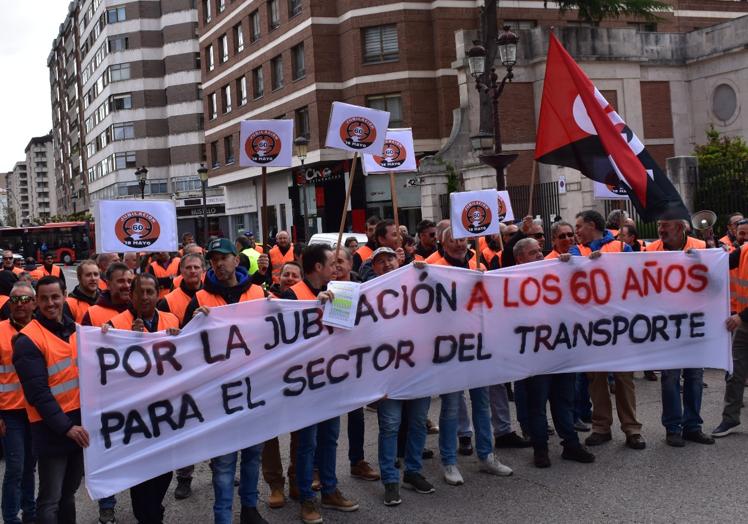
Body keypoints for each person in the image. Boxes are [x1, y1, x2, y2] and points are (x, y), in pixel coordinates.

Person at [182, 238, 268, 524]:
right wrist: (193, 324)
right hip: (218, 396)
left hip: (254, 390)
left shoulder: (258, 293)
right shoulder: (200, 299)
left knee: (253, 456)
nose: (219, 263)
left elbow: (283, 326)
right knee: (223, 463)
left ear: (236, 260)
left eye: (224, 258)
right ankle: (223, 517)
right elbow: (181, 348)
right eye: (214, 259)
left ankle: (250, 509)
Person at [427, 229, 513, 485]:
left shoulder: (478, 264)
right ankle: (449, 462)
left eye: (461, 239)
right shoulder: (433, 267)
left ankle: (486, 455)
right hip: (450, 349)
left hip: (478, 346)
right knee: (451, 407)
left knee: (482, 403)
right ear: (443, 244)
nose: (457, 244)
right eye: (451, 240)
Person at [281, 244, 359, 523]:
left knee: (329, 438)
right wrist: (315, 305)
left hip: (331, 378)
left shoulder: (339, 290)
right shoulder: (292, 296)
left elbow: (348, 330)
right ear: (317, 268)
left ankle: (329, 489)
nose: (335, 268)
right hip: (305, 383)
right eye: (331, 264)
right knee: (307, 443)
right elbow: (287, 338)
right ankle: (307, 498)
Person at [101, 274, 179, 524]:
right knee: (141, 473)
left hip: (165, 411)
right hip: (134, 415)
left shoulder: (171, 320)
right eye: (140, 292)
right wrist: (107, 337)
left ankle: (153, 510)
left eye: (150, 292)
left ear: (158, 294)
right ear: (131, 296)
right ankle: (149, 517)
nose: (145, 297)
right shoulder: (115, 325)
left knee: (165, 469)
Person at [13, 276, 88, 524]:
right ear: (36, 302)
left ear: (65, 296)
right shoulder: (28, 340)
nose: (50, 303)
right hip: (53, 429)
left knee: (68, 495)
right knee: (50, 500)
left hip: (78, 425)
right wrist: (66, 427)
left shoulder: (75, 330)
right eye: (43, 298)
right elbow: (38, 394)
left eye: (55, 296)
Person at [514, 238, 595, 468]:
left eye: (540, 251)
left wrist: (573, 265)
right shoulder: (510, 281)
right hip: (536, 354)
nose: (540, 255)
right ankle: (540, 449)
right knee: (537, 404)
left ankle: (570, 444)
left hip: (561, 350)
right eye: (533, 253)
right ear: (520, 258)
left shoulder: (556, 272)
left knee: (564, 401)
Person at [366, 247, 435, 506]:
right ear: (374, 268)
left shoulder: (419, 282)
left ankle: (413, 471)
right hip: (388, 373)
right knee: (391, 425)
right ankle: (390, 479)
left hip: (419, 369)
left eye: (390, 260)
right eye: (380, 262)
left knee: (418, 423)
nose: (386, 265)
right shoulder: (368, 292)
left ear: (400, 260)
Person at [646, 210, 712, 446]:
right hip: (667, 327)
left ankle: (692, 426)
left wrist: (719, 255)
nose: (661, 231)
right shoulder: (650, 249)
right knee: (670, 377)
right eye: (659, 226)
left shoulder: (701, 246)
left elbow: (715, 281)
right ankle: (673, 427)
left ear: (681, 228)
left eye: (666, 227)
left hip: (695, 324)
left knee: (694, 376)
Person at [0, 282, 38, 524]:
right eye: (15, 300)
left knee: (29, 468)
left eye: (25, 300)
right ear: (9, 304)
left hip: (35, 412)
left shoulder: (41, 329)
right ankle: (11, 518)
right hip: (9, 413)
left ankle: (30, 515)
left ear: (34, 303)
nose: (20, 305)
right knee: (15, 467)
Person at [712, 218, 748, 437]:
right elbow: (720, 264)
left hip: (743, 321)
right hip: (744, 327)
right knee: (735, 373)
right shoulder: (743, 251)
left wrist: (741, 317)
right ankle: (730, 419)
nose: (744, 237)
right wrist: (693, 259)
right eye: (741, 233)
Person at [81, 262, 133, 328]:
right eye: (121, 281)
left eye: (129, 281)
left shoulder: (139, 311)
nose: (127, 285)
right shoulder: (92, 314)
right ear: (108, 284)